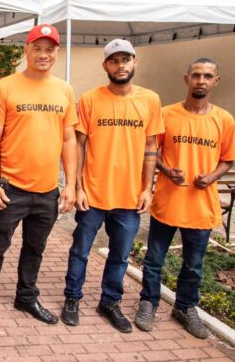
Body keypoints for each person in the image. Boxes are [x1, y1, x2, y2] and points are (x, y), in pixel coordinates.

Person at [0, 24, 77, 330]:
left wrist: (70, 184)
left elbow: (69, 139)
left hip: (47, 191)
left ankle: (26, 296)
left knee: (35, 248)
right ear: (26, 51)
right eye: (37, 48)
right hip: (11, 188)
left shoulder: (65, 90)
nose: (44, 54)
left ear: (56, 53)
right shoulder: (5, 87)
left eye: (50, 49)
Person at [61, 39, 163, 333]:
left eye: (125, 60)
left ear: (135, 62)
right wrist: (77, 186)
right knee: (80, 250)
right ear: (105, 65)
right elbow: (78, 144)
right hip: (93, 194)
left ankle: (109, 302)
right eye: (114, 61)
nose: (121, 66)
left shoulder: (150, 100)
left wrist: (147, 189)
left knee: (120, 255)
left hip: (130, 198)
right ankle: (72, 298)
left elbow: (151, 146)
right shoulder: (91, 99)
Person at [134, 58, 235, 339]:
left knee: (193, 265)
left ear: (216, 81)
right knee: (154, 260)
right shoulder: (166, 115)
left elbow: (228, 159)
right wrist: (167, 170)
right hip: (167, 204)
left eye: (207, 76)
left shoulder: (224, 119)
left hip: (201, 208)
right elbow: (151, 153)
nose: (201, 81)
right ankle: (148, 303)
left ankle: (185, 307)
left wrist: (212, 176)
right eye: (196, 75)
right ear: (186, 79)